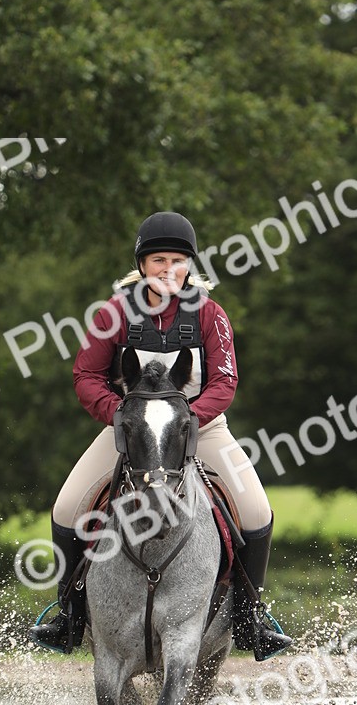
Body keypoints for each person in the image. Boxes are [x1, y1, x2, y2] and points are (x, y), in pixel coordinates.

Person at [30, 211, 292, 661]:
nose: (168, 269)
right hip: (131, 429)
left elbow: (224, 382)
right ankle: (68, 615)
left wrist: (187, 419)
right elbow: (86, 376)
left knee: (256, 511)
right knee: (67, 507)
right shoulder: (113, 314)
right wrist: (120, 415)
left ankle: (251, 619)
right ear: (142, 265)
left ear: (189, 265)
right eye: (158, 260)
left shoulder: (210, 314)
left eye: (177, 261)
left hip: (202, 427)